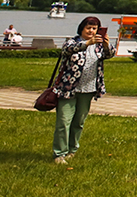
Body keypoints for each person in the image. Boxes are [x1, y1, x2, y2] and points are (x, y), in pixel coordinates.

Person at [51, 16, 115, 164]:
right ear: (82, 29)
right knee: (63, 121)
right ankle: (59, 153)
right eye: (88, 28)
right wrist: (87, 43)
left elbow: (110, 54)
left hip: (88, 89)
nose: (91, 31)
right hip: (68, 89)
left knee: (79, 122)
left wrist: (106, 44)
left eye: (94, 29)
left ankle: (72, 150)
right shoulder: (73, 42)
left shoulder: (98, 46)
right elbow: (68, 50)